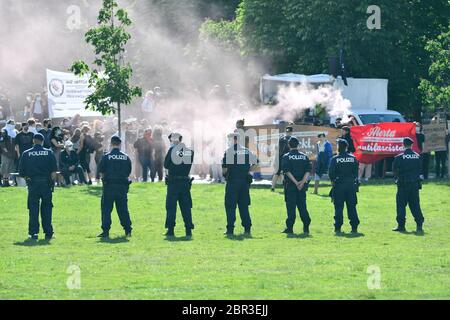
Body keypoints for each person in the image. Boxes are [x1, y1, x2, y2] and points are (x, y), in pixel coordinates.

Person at [18, 133, 57, 240]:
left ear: (33, 141)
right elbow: (54, 172)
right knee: (47, 209)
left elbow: (21, 172)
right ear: (42, 141)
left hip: (33, 185)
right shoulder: (49, 153)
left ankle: (33, 233)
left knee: (33, 209)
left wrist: (28, 180)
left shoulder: (26, 153)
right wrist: (50, 183)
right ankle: (48, 233)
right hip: (46, 184)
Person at [222, 132, 259, 236]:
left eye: (229, 139)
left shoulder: (229, 151)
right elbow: (257, 162)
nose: (228, 142)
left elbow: (224, 169)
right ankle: (247, 228)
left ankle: (230, 229)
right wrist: (248, 171)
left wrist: (226, 175)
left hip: (232, 182)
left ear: (234, 140)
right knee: (244, 206)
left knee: (230, 206)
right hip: (244, 182)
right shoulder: (247, 151)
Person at [97, 136, 133, 238]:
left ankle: (105, 231)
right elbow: (128, 171)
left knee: (106, 209)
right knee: (123, 209)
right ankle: (128, 230)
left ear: (111, 144)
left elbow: (101, 170)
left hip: (109, 186)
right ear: (120, 144)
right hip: (122, 187)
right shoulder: (126, 157)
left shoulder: (106, 157)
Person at [163, 133, 195, 237]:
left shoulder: (172, 151)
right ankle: (188, 229)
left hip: (173, 183)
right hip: (185, 182)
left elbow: (166, 165)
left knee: (171, 207)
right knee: (186, 207)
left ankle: (171, 230)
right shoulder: (189, 152)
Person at [392, 137, 425, 234]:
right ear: (411, 145)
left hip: (403, 184)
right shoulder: (418, 156)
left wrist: (397, 179)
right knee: (415, 204)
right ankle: (419, 224)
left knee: (401, 205)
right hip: (415, 184)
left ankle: (401, 226)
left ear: (403, 144)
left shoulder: (399, 157)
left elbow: (394, 170)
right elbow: (420, 169)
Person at [281, 137, 312, 234]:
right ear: (298, 145)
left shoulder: (286, 156)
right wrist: (302, 183)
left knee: (291, 207)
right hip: (301, 186)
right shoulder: (304, 156)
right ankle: (306, 227)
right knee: (302, 206)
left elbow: (287, 171)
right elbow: (308, 171)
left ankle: (289, 228)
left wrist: (296, 182)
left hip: (290, 185)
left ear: (289, 145)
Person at [328, 139, 360, 234]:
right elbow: (356, 172)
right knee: (352, 207)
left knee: (338, 207)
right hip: (351, 186)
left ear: (338, 147)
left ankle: (338, 227)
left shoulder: (335, 159)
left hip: (339, 186)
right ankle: (354, 227)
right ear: (346, 147)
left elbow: (331, 173)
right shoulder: (353, 158)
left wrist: (334, 181)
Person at [272, 126, 293, 192]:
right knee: (284, 173)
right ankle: (283, 187)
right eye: (287, 132)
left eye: (288, 132)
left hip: (280, 158)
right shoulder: (291, 139)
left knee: (277, 173)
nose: (288, 133)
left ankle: (273, 187)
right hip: (286, 158)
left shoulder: (281, 138)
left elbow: (276, 148)